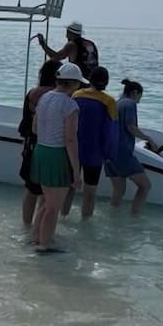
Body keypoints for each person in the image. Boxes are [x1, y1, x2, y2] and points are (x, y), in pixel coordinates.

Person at [29, 62, 85, 253]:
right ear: (74, 84)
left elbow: (35, 127)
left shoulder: (44, 98)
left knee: (45, 202)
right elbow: (70, 139)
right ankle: (44, 245)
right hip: (56, 154)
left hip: (41, 151)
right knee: (53, 207)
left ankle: (36, 237)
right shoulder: (70, 105)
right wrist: (76, 172)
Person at [70, 66, 119, 219]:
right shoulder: (109, 101)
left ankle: (62, 216)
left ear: (89, 79)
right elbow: (111, 132)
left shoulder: (76, 95)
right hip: (95, 153)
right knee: (89, 192)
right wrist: (109, 153)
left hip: (75, 149)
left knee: (70, 187)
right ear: (106, 82)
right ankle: (85, 224)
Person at [105, 78, 158, 214]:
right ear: (135, 92)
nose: (139, 100)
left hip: (109, 153)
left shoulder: (116, 103)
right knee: (145, 186)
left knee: (119, 190)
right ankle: (135, 217)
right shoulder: (129, 104)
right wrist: (149, 139)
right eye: (140, 96)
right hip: (122, 153)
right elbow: (131, 127)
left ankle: (113, 217)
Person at [18, 59, 61, 225]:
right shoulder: (53, 95)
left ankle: (27, 226)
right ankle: (40, 228)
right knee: (45, 192)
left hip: (31, 144)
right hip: (47, 145)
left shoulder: (33, 93)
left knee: (31, 189)